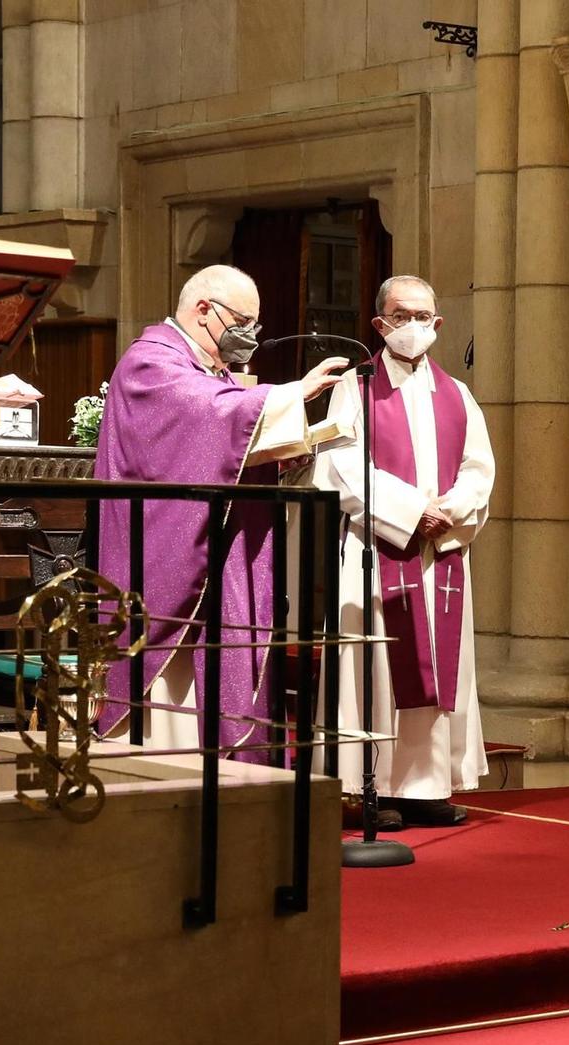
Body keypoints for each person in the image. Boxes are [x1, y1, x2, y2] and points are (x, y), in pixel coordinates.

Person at [93, 264, 346, 762]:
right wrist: (297, 393)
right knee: (164, 702)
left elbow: (225, 427)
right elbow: (205, 414)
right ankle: (157, 767)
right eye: (244, 321)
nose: (251, 335)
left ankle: (217, 765)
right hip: (161, 550)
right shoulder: (151, 361)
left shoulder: (210, 371)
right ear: (204, 309)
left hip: (210, 550)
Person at [314, 275, 494, 826]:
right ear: (380, 323)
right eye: (402, 315)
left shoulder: (458, 395)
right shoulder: (355, 388)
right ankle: (367, 789)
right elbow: (342, 465)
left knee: (437, 669)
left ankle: (426, 787)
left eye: (424, 317)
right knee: (375, 667)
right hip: (377, 549)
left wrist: (451, 512)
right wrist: (415, 513)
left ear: (438, 325)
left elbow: (479, 469)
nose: (414, 326)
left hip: (438, 555)